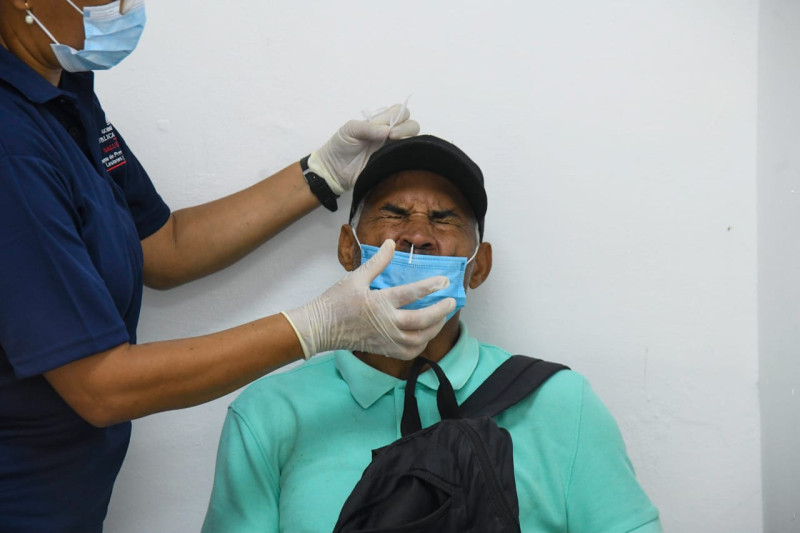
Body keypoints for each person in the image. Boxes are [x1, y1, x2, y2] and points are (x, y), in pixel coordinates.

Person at [0, 2, 455, 532]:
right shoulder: (12, 147)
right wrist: (315, 327)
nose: (124, 8)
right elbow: (103, 388)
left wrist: (323, 172)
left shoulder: (65, 94)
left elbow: (164, 245)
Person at [202, 135, 664, 533]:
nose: (417, 236)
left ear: (477, 267)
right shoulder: (269, 416)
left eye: (443, 219)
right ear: (348, 248)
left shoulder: (560, 404)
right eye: (394, 213)